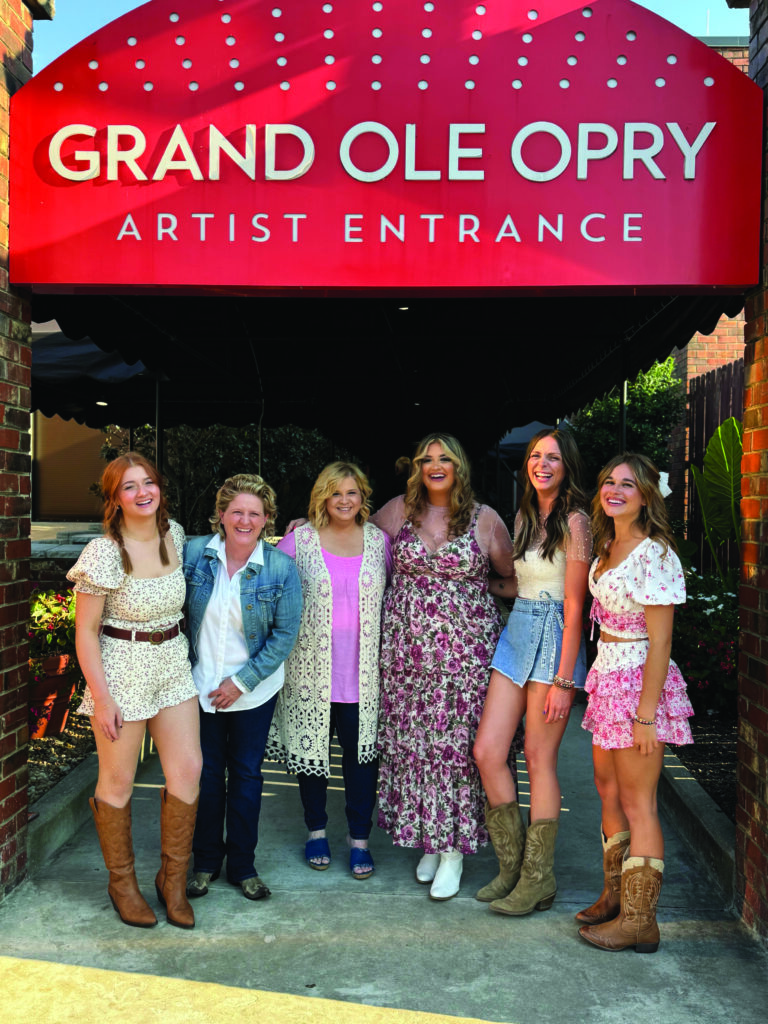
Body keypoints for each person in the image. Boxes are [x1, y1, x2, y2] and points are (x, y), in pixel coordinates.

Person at [373, 432, 518, 901]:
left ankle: (454, 850)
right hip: (407, 657)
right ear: (417, 467)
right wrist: (301, 528)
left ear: (459, 467)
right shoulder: (398, 511)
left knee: (456, 751)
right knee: (416, 748)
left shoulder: (485, 519)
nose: (435, 466)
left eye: (445, 459)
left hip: (466, 659)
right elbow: (351, 540)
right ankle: (430, 842)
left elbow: (514, 580)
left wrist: (474, 595)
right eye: (426, 459)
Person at [68, 452, 201, 930]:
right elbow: (85, 632)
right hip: (122, 666)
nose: (143, 492)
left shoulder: (176, 535)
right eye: (129, 486)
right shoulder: (104, 551)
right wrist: (102, 697)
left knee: (188, 770)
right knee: (118, 782)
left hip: (171, 661)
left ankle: (173, 880)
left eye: (149, 482)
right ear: (115, 498)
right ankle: (122, 883)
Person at [578, 453, 693, 953]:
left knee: (638, 801)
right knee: (607, 789)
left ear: (646, 495)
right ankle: (616, 897)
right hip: (608, 674)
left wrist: (647, 715)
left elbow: (662, 643)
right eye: (609, 482)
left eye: (628, 484)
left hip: (638, 682)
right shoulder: (607, 545)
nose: (616, 490)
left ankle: (641, 922)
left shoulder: (656, 553)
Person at [473, 429, 591, 916]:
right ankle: (513, 866)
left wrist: (565, 680)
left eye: (553, 457)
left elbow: (575, 603)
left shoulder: (578, 521)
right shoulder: (523, 515)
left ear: (568, 466)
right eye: (536, 456)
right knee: (487, 750)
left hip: (555, 637)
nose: (543, 464)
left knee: (540, 757)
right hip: (517, 632)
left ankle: (538, 879)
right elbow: (520, 583)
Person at [268, 462, 391, 878]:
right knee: (312, 758)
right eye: (335, 492)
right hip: (310, 672)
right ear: (322, 496)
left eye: (352, 492)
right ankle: (315, 832)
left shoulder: (379, 543)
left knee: (362, 764)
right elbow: (266, 583)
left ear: (363, 497)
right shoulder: (298, 541)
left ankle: (359, 840)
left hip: (365, 677)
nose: (344, 500)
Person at [183, 475, 302, 902]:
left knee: (247, 776)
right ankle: (204, 864)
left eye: (255, 513)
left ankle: (243, 866)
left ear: (267, 518)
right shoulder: (195, 555)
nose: (245, 520)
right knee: (208, 776)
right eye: (237, 511)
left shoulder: (280, 568)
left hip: (253, 691)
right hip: (200, 688)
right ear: (221, 515)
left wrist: (241, 682)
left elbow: (285, 635)